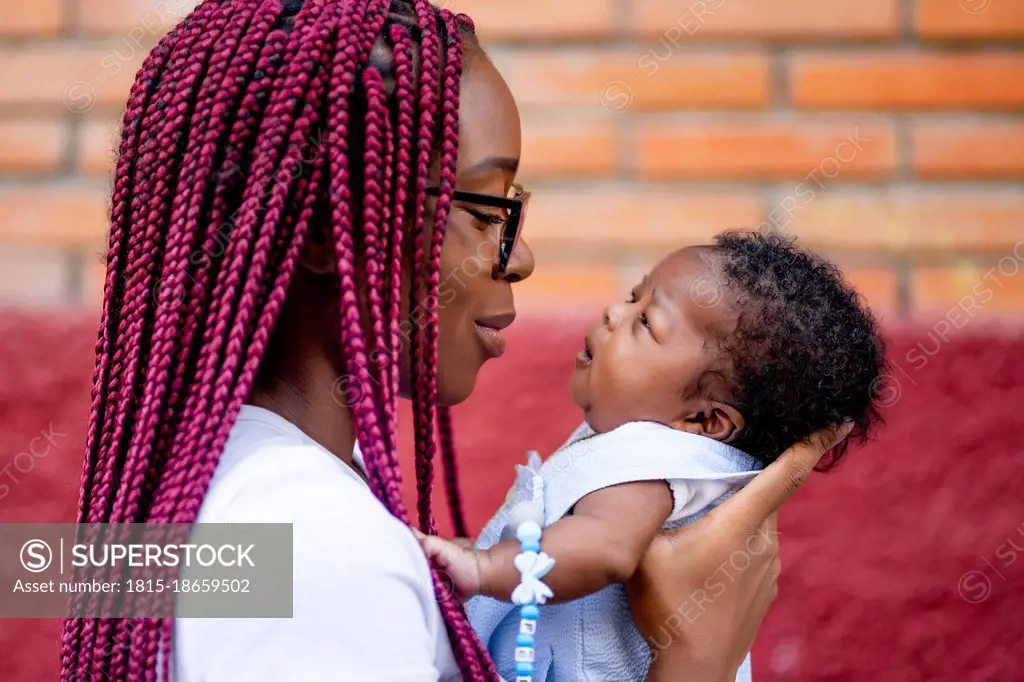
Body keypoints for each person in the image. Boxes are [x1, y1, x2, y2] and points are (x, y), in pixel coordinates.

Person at [59, 1, 854, 681]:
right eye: (488, 210)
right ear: (329, 228)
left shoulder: (230, 478)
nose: (523, 256)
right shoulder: (316, 538)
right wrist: (696, 664)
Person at [420, 232, 887, 681]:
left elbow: (606, 548)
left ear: (706, 421)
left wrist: (484, 569)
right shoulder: (659, 452)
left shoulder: (651, 460)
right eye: (632, 297)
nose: (612, 312)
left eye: (645, 322)